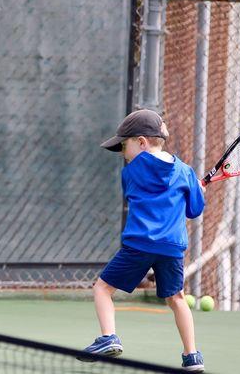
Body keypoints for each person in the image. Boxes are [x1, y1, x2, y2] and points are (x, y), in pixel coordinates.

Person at [78, 109, 206, 373]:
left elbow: (139, 193)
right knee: (177, 298)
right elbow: (194, 210)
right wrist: (198, 190)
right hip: (171, 248)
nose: (123, 154)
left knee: (102, 289)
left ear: (142, 142)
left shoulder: (130, 173)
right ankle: (192, 356)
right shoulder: (185, 172)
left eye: (124, 146)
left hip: (139, 246)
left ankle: (109, 337)